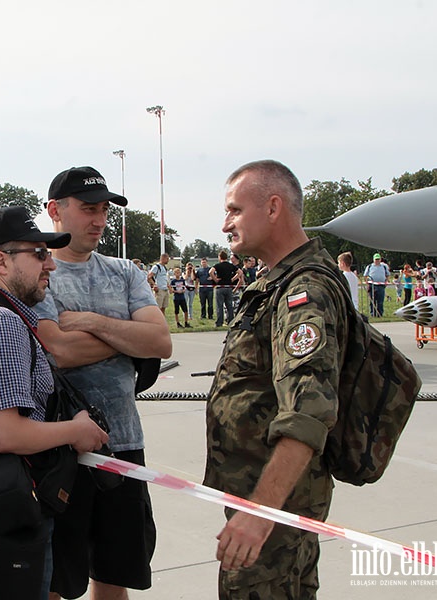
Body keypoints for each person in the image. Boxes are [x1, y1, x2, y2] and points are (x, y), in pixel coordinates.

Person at [0, 206, 108, 600]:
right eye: (38, 253)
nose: (50, 264)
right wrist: (76, 431)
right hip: (0, 517)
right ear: (0, 261)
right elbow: (0, 433)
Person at [206, 159, 349, 599]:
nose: (226, 222)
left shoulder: (304, 291)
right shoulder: (278, 281)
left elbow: (308, 413)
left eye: (234, 210)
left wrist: (261, 514)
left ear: (272, 208)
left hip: (273, 506)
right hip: (266, 498)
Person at [36, 166, 172, 600]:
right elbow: (58, 350)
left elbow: (160, 341)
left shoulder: (125, 271)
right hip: (57, 449)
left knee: (115, 575)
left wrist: (91, 323)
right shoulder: (37, 272)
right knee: (56, 580)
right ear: (55, 210)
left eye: (104, 211)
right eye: (88, 209)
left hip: (123, 442)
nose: (99, 220)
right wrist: (127, 338)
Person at [209, 251, 238, 327]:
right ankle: (231, 321)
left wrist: (215, 279)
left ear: (220, 257)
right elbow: (240, 272)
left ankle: (219, 322)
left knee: (220, 306)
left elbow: (210, 272)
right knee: (229, 305)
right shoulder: (230, 265)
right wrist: (233, 279)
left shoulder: (218, 265)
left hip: (220, 287)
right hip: (228, 287)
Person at [148, 253, 170, 317]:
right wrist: (154, 285)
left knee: (164, 307)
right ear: (163, 259)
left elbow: (165, 279)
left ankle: (163, 320)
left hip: (165, 289)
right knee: (158, 307)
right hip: (159, 289)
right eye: (167, 259)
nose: (168, 260)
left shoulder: (164, 268)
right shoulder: (156, 267)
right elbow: (149, 276)